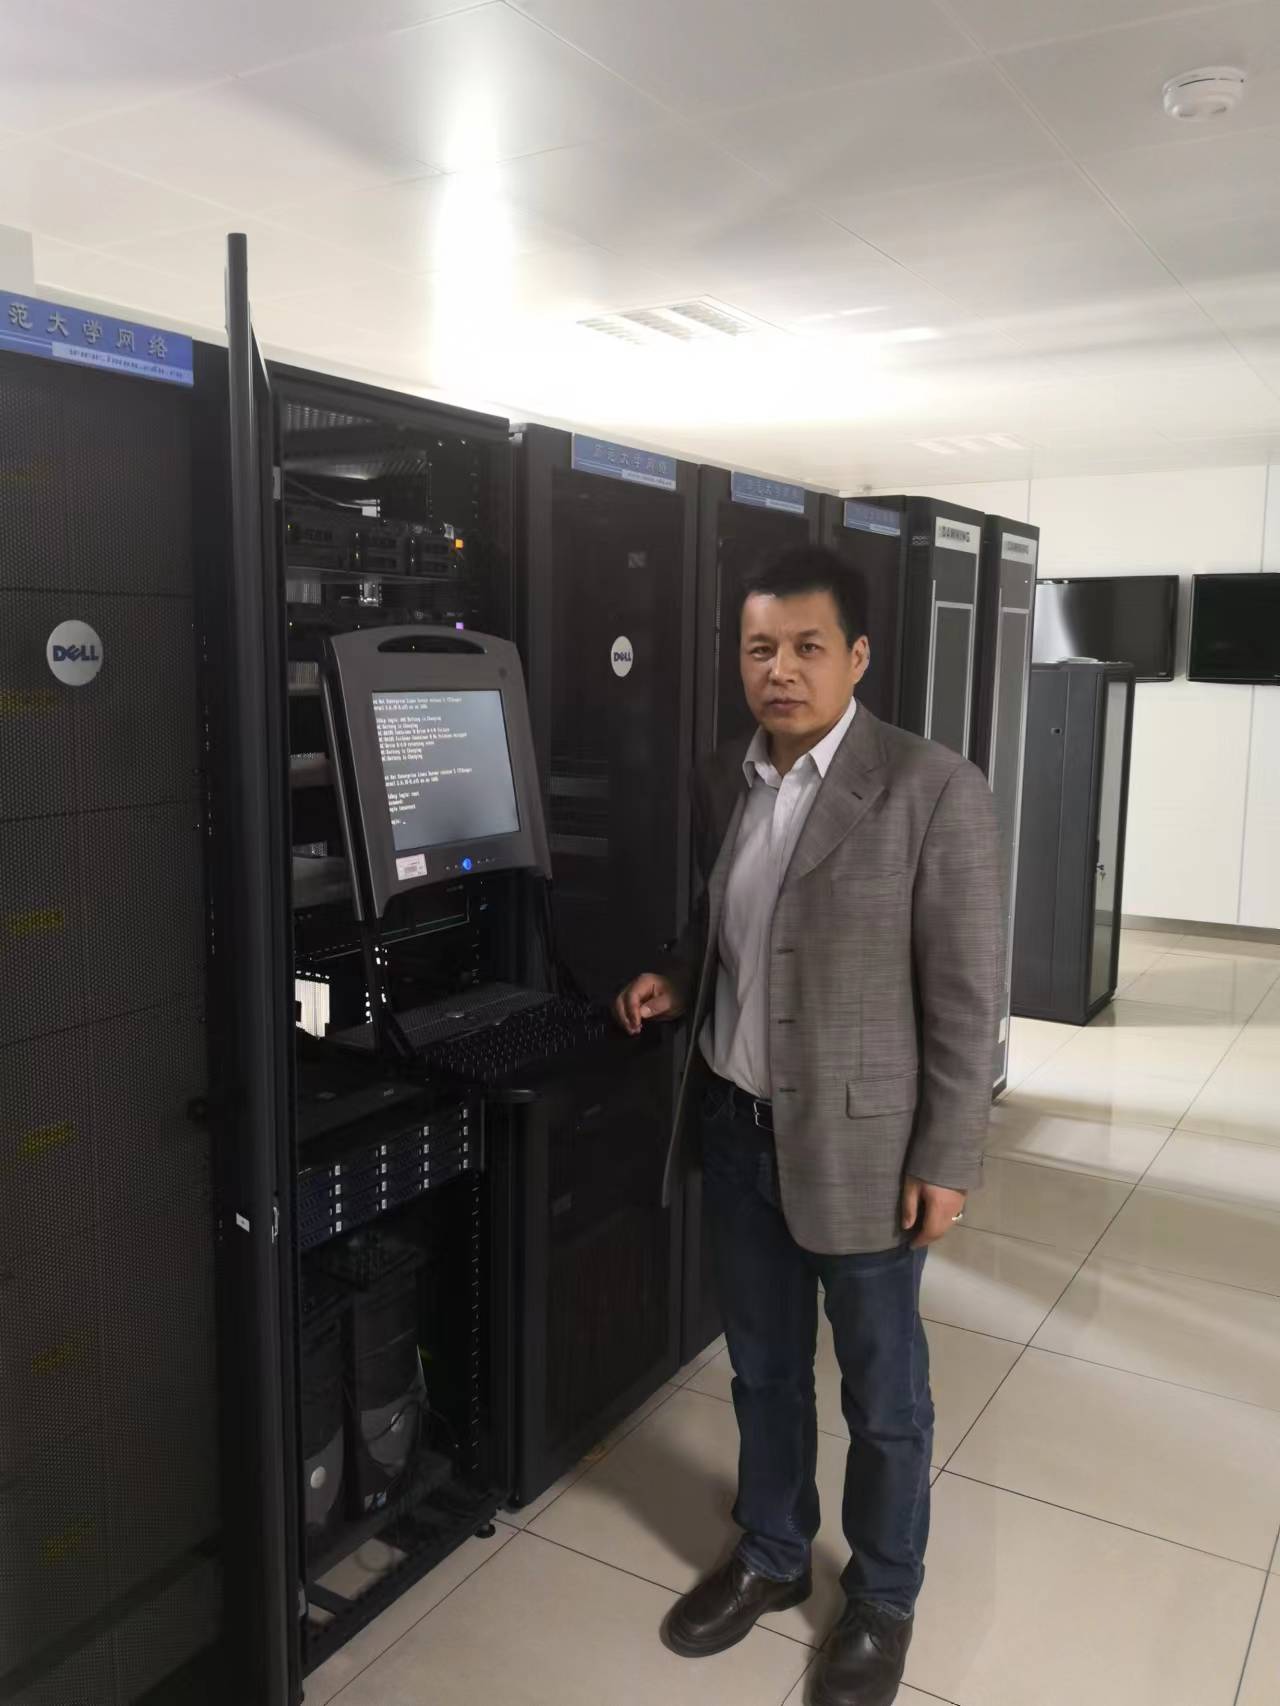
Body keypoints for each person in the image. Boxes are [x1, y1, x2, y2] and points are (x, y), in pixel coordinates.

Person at [614, 545, 1002, 1706]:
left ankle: (881, 1595)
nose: (778, 670)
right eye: (759, 648)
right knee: (762, 1368)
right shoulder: (724, 775)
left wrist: (946, 1155)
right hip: (739, 1130)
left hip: (865, 1153)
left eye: (804, 647)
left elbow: (963, 998)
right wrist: (681, 976)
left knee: (883, 1396)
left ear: (857, 656)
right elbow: (733, 922)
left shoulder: (931, 788)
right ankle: (774, 1550)